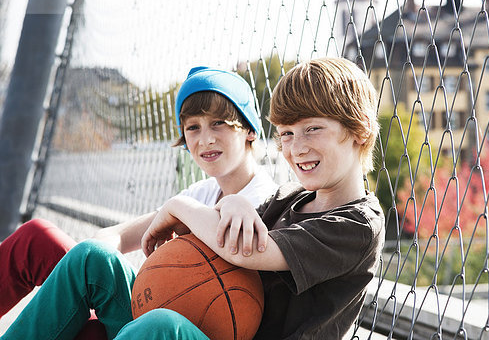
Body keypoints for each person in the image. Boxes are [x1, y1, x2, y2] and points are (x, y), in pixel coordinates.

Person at [1, 57, 385, 340]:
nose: (296, 147)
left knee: (159, 327)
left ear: (359, 131)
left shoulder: (357, 223)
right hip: (205, 321)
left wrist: (177, 207)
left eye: (312, 129)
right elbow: (225, 221)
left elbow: (245, 251)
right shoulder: (291, 199)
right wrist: (230, 205)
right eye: (286, 134)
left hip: (208, 328)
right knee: (90, 258)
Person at [0, 66, 277, 339]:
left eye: (218, 123)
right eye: (193, 127)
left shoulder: (267, 201)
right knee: (54, 244)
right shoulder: (202, 193)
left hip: (186, 329)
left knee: (104, 328)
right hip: (159, 306)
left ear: (250, 130)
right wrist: (86, 282)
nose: (205, 139)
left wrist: (178, 207)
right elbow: (112, 236)